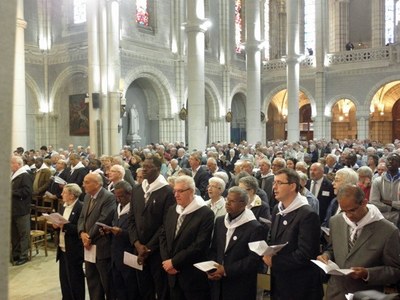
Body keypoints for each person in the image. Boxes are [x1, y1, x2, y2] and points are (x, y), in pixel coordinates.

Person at [317, 184, 400, 300]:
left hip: (365, 294)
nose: (348, 216)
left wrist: (367, 273)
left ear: (364, 202)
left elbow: (395, 271)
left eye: (352, 210)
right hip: (335, 292)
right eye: (344, 211)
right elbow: (332, 249)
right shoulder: (336, 221)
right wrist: (326, 256)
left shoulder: (388, 231)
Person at [263, 168, 323, 300]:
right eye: (274, 183)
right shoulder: (277, 209)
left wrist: (275, 261)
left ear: (292, 186)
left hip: (299, 284)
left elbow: (306, 254)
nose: (274, 187)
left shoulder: (307, 214)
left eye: (279, 183)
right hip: (280, 281)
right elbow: (272, 237)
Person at [128, 155, 175, 299]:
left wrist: (148, 247)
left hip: (156, 251)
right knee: (144, 288)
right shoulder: (137, 189)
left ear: (158, 169)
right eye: (143, 167)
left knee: (161, 289)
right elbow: (131, 219)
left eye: (148, 167)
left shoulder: (167, 191)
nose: (144, 170)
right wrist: (136, 243)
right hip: (138, 248)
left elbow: (165, 224)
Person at [159, 175, 214, 299]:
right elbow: (163, 235)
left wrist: (174, 262)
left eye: (180, 191)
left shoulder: (205, 214)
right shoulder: (173, 210)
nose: (176, 195)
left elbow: (199, 245)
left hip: (192, 275)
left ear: (192, 191)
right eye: (175, 191)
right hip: (171, 273)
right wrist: (167, 261)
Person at [208, 186, 265, 300]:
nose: (227, 203)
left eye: (232, 201)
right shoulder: (220, 221)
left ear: (243, 203)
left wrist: (226, 270)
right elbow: (215, 248)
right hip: (218, 281)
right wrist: (213, 269)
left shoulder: (255, 227)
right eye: (227, 199)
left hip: (240, 284)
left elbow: (253, 259)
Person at [77, 173, 116, 300]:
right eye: (84, 181)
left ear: (97, 184)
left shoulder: (108, 197)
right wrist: (82, 233)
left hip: (101, 245)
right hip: (88, 245)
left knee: (107, 281)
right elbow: (82, 217)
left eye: (87, 182)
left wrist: (89, 237)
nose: (83, 185)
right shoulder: (88, 196)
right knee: (92, 279)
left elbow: (103, 219)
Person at [104, 181, 139, 300]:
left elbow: (138, 234)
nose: (118, 199)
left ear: (130, 194)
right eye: (116, 196)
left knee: (131, 289)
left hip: (129, 254)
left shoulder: (135, 209)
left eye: (121, 196)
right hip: (116, 254)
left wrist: (121, 232)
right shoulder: (118, 207)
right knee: (119, 288)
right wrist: (108, 231)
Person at [55, 183, 85, 300]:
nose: (61, 194)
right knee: (64, 279)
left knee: (75, 279)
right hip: (62, 247)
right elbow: (60, 224)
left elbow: (81, 228)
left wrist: (65, 226)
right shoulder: (63, 206)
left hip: (74, 248)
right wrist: (55, 226)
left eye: (64, 192)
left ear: (72, 195)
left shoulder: (81, 207)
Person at [11, 156, 33, 266]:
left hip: (21, 209)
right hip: (12, 209)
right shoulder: (13, 175)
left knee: (23, 233)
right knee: (14, 234)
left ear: (18, 164)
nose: (10, 165)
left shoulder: (25, 175)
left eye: (12, 163)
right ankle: (15, 254)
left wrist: (12, 191)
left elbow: (27, 191)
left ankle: (24, 255)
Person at [370, 153, 400, 227]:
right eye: (388, 160)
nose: (390, 162)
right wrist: (392, 207)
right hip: (381, 217)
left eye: (394, 160)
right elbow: (374, 202)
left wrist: (388, 202)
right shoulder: (377, 181)